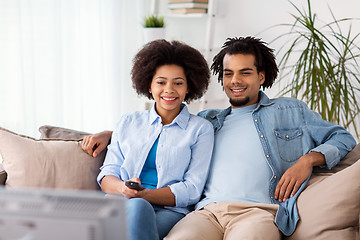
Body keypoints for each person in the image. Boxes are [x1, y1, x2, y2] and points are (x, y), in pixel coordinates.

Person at [83, 37, 356, 239]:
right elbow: (165, 123)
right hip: (207, 213)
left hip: (258, 212)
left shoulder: (290, 110)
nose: (235, 80)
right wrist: (112, 134)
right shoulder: (209, 120)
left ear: (261, 76)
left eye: (245, 72)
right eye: (228, 74)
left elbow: (343, 138)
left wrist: (307, 160)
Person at [82, 39, 214, 240]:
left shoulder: (201, 129)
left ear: (188, 87)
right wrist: (124, 189)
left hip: (170, 211)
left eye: (178, 83)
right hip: (121, 204)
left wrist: (144, 196)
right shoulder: (128, 122)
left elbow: (192, 189)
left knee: (137, 211)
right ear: (149, 86)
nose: (169, 90)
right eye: (161, 82)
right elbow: (108, 173)